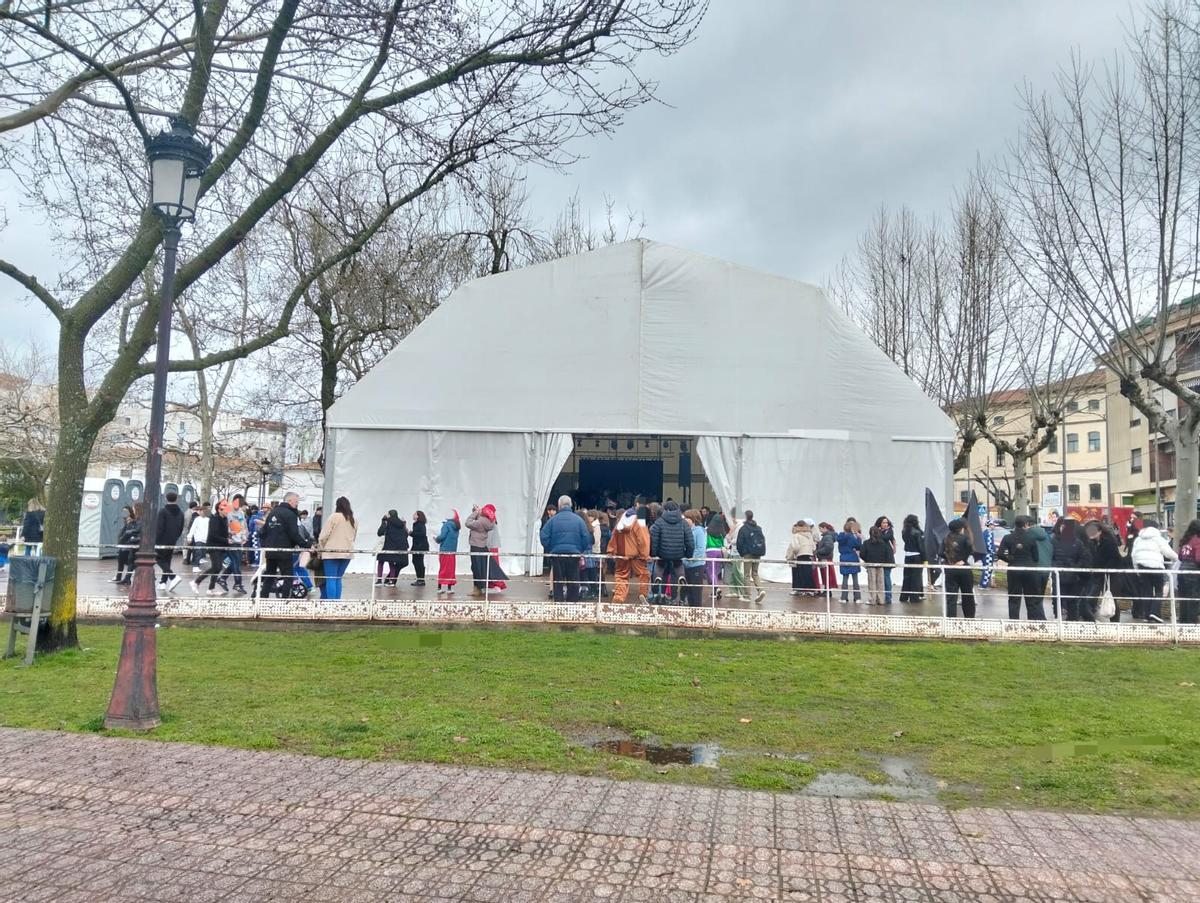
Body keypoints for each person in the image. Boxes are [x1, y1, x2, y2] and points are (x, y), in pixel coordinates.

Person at [540, 495, 593, 603]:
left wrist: (551, 548)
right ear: (571, 505)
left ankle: (559, 603)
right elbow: (586, 537)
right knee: (573, 580)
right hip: (574, 554)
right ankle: (571, 603)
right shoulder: (579, 520)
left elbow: (543, 536)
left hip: (557, 554)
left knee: (558, 581)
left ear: (559, 506)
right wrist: (579, 550)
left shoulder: (552, 520)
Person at [258, 492, 310, 597]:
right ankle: (284, 601)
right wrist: (306, 544)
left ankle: (263, 600)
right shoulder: (291, 514)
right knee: (288, 577)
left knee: (269, 576)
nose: (297, 504)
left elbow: (263, 532)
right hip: (284, 551)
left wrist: (266, 544)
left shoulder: (272, 513)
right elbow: (294, 534)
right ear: (289, 501)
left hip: (270, 551)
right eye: (296, 502)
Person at [997, 516, 1046, 620]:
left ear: (1015, 525)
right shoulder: (1031, 538)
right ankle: (1032, 623)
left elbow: (1000, 553)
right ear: (1025, 525)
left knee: (1014, 598)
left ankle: (1014, 623)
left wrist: (1010, 559)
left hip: (1014, 569)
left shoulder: (1007, 537)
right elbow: (1036, 557)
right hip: (1029, 569)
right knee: (1031, 599)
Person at [1130, 519, 1175, 623]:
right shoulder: (1158, 539)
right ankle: (1154, 613)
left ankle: (1146, 616)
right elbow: (1168, 552)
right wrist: (1178, 559)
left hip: (1142, 568)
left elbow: (1133, 555)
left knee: (1147, 591)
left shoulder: (1138, 539)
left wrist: (1137, 569)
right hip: (1156, 567)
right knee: (1159, 590)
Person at [650, 500, 693, 603]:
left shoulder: (659, 522)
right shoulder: (683, 523)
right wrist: (688, 554)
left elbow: (654, 538)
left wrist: (654, 553)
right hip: (678, 553)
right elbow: (690, 541)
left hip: (663, 553)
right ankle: (681, 577)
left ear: (665, 509)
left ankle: (658, 578)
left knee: (659, 565)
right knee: (678, 565)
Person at [317, 496, 358, 601]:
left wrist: (321, 549)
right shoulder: (353, 519)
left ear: (337, 506)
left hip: (331, 552)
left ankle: (331, 603)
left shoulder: (334, 517)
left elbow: (323, 536)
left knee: (330, 578)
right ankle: (337, 603)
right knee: (338, 579)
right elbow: (354, 537)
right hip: (347, 553)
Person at [1082, 520, 1122, 623]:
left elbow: (1115, 559)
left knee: (1111, 599)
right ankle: (1090, 620)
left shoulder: (1109, 542)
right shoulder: (1093, 542)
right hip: (1097, 574)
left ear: (1099, 531)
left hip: (1110, 575)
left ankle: (1115, 624)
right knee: (1089, 598)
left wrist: (1105, 570)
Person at [1051, 518, 1090, 620]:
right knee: (1057, 598)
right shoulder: (1054, 541)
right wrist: (1055, 566)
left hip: (1073, 575)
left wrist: (1076, 567)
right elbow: (1050, 556)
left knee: (1072, 600)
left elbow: (1083, 557)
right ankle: (1058, 617)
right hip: (1058, 574)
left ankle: (1072, 619)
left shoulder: (1077, 543)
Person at [608, 507, 651, 603]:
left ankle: (619, 596)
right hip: (636, 555)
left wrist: (611, 550)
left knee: (621, 576)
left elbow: (614, 535)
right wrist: (645, 554)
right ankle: (643, 594)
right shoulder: (639, 522)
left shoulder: (621, 522)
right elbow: (643, 540)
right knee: (643, 574)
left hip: (621, 554)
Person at [195, 499, 230, 596]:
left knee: (217, 568)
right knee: (216, 567)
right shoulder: (214, 519)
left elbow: (223, 533)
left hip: (221, 546)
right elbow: (213, 534)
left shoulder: (224, 519)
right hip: (213, 546)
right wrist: (226, 540)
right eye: (225, 509)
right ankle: (197, 581)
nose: (227, 511)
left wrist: (230, 536)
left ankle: (210, 588)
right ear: (219, 510)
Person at [942, 519, 976, 617]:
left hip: (950, 569)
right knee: (967, 595)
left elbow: (940, 552)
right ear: (960, 529)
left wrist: (950, 561)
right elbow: (971, 550)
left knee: (951, 597)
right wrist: (962, 559)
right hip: (964, 569)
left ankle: (951, 619)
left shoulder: (945, 538)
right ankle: (969, 618)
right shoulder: (965, 538)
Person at [155, 490, 185, 592]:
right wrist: (175, 537)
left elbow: (159, 528)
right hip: (172, 540)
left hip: (161, 540)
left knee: (158, 558)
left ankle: (173, 577)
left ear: (166, 499)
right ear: (176, 499)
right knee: (167, 561)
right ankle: (163, 583)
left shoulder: (163, 511)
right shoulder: (181, 513)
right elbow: (181, 528)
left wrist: (155, 540)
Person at [464, 504, 497, 597]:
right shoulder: (488, 521)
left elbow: (468, 523)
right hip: (482, 545)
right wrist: (479, 513)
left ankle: (477, 589)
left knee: (475, 568)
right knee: (480, 567)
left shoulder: (480, 522)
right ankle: (480, 587)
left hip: (475, 545)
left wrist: (475, 512)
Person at [735, 509, 767, 604]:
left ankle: (747, 595)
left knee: (747, 574)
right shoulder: (758, 528)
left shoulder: (743, 528)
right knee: (755, 573)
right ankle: (760, 590)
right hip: (757, 552)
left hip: (747, 553)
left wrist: (742, 553)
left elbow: (739, 543)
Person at [375, 510, 409, 587]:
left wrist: (383, 521)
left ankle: (379, 580)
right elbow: (406, 535)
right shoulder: (401, 523)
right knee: (392, 563)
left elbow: (380, 533)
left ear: (389, 515)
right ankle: (391, 581)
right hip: (396, 547)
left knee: (381, 562)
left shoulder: (387, 522)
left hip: (387, 545)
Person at [860, 525, 893, 605]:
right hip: (880, 565)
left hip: (871, 565)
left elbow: (862, 554)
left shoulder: (866, 543)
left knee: (872, 582)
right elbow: (886, 554)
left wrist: (867, 559)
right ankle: (881, 600)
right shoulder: (883, 543)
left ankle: (872, 600)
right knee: (880, 583)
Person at [1175, 519, 1200, 625]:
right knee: (1193, 598)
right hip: (1193, 572)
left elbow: (1180, 557)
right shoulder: (1198, 540)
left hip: (1182, 571)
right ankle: (1191, 622)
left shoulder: (1185, 540)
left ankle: (1183, 621)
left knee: (1183, 597)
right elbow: (1198, 558)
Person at [785, 520, 818, 596]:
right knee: (808, 573)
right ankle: (811, 590)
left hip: (800, 555)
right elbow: (814, 547)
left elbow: (795, 547)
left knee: (800, 574)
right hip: (809, 555)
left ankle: (799, 590)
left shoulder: (796, 535)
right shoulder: (809, 535)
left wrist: (794, 554)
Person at [899, 514, 926, 603]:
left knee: (906, 576)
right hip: (916, 556)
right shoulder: (918, 532)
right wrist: (925, 558)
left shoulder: (904, 531)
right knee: (916, 577)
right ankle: (914, 597)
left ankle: (904, 597)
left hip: (907, 555)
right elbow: (921, 547)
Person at [684, 509, 708, 606]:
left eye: (687, 518)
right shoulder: (688, 530)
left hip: (696, 565)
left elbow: (700, 548)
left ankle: (697, 611)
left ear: (692, 519)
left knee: (696, 591)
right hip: (688, 565)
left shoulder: (699, 531)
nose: (685, 520)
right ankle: (691, 610)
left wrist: (689, 558)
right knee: (689, 591)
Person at [836, 518, 863, 603]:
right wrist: (859, 537)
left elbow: (838, 539)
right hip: (853, 557)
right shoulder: (855, 536)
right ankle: (857, 598)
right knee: (855, 579)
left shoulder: (841, 535)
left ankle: (843, 598)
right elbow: (859, 546)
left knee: (845, 578)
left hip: (844, 557)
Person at [112, 505, 141, 585]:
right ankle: (124, 578)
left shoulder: (135, 521)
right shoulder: (128, 521)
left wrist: (123, 539)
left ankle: (125, 578)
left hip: (131, 544)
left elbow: (134, 531)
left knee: (131, 561)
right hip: (128, 544)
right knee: (128, 560)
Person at [435, 509, 461, 595]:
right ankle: (449, 588)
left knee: (443, 568)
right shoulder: (456, 526)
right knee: (451, 569)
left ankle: (439, 587)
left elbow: (442, 537)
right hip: (452, 551)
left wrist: (436, 539)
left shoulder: (446, 525)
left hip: (445, 550)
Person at [725, 509, 748, 602]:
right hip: (734, 551)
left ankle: (743, 592)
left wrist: (730, 540)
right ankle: (734, 590)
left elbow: (737, 539)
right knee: (733, 571)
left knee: (737, 571)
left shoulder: (740, 526)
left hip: (737, 551)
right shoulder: (736, 525)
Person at [873, 516, 897, 603]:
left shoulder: (889, 531)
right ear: (880, 523)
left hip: (887, 557)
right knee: (878, 578)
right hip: (878, 556)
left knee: (886, 577)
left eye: (887, 522)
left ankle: (888, 597)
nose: (886, 524)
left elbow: (886, 537)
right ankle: (878, 596)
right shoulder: (876, 531)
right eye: (884, 522)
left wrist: (894, 548)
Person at [705, 510, 729, 598]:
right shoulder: (722, 532)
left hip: (710, 552)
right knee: (716, 571)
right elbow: (725, 543)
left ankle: (716, 588)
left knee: (711, 572)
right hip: (719, 552)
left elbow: (705, 542)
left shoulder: (707, 530)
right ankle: (715, 590)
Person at [484, 507, 507, 592]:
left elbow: (489, 536)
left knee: (493, 566)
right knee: (493, 566)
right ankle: (493, 584)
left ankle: (496, 584)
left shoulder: (490, 521)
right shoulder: (493, 520)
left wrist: (487, 547)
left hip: (491, 547)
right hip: (494, 546)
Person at [187, 503, 211, 572]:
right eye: (200, 511)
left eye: (202, 511)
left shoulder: (208, 520)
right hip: (198, 539)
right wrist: (189, 537)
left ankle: (197, 565)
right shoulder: (197, 519)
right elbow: (192, 529)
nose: (201, 512)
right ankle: (195, 566)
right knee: (198, 553)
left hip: (205, 539)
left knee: (202, 553)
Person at [815, 522, 838, 594]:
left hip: (825, 558)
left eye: (820, 528)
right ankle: (827, 590)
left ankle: (827, 591)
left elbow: (828, 547)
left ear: (824, 528)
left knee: (826, 575)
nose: (820, 530)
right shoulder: (828, 536)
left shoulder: (827, 537)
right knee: (826, 575)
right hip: (826, 558)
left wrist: (818, 551)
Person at [410, 510, 429, 586]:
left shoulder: (420, 524)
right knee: (416, 562)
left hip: (420, 546)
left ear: (418, 516)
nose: (413, 515)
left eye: (415, 514)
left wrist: (412, 533)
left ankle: (421, 579)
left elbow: (422, 534)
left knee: (419, 562)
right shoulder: (416, 524)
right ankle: (419, 579)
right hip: (417, 545)